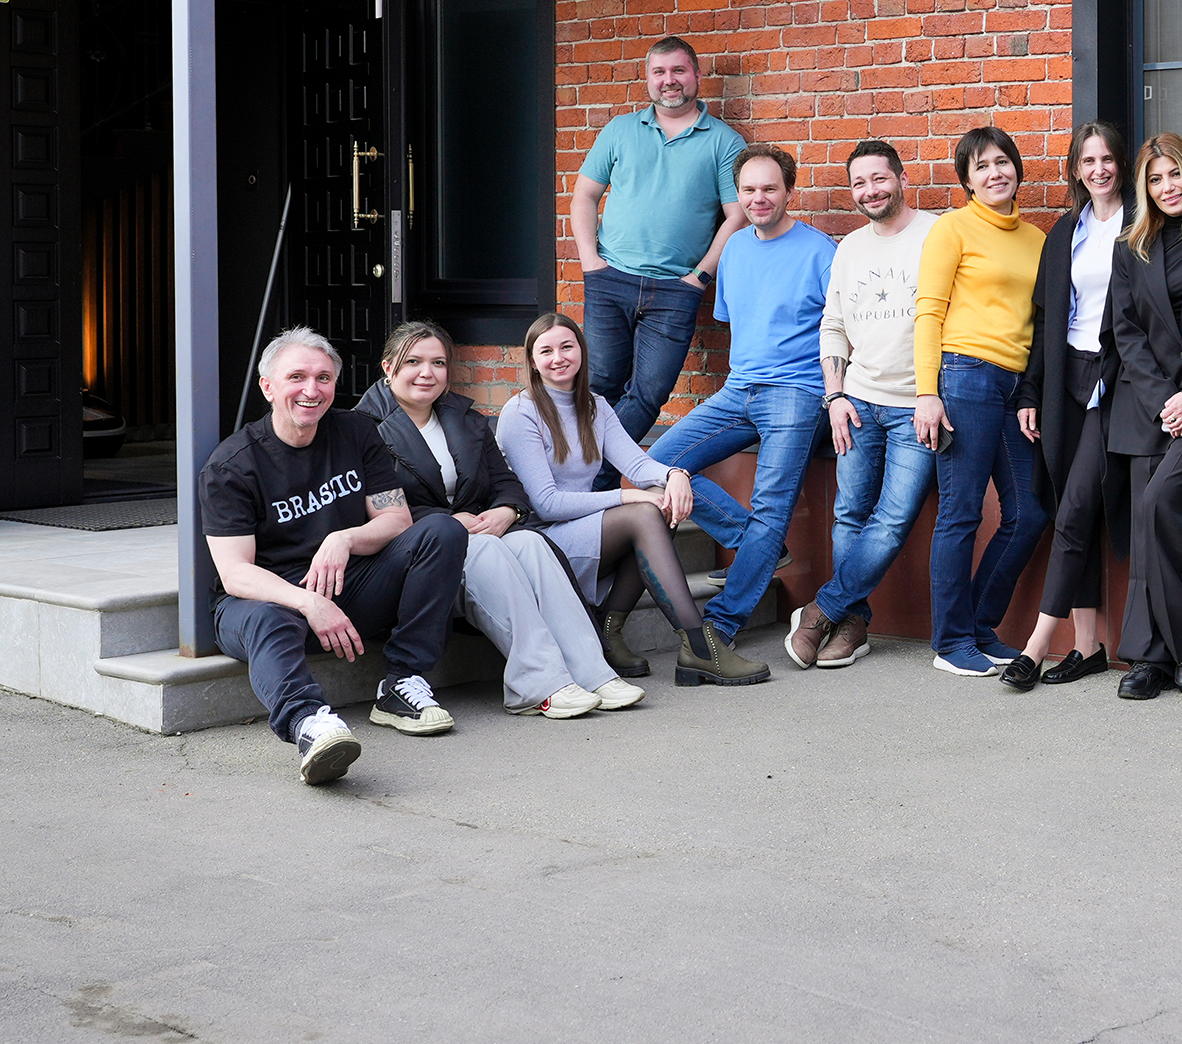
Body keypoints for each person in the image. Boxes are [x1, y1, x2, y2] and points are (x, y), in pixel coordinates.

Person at [202, 328, 469, 785]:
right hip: (268, 603)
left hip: (348, 586)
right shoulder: (232, 466)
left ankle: (402, 683)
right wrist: (309, 602)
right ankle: (311, 724)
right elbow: (236, 574)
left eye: (323, 378)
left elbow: (397, 520)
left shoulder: (356, 431)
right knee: (267, 615)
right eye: (297, 377)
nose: (312, 390)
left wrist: (344, 539)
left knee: (442, 530)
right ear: (268, 387)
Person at [357, 320, 646, 718]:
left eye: (438, 363)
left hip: (477, 533)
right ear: (388, 368)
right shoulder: (362, 429)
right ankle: (538, 684)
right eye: (413, 362)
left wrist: (507, 509)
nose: (427, 372)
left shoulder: (465, 418)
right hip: (416, 556)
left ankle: (592, 672)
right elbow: (371, 507)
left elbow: (506, 481)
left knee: (530, 542)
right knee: (484, 550)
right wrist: (450, 521)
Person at [497, 313, 768, 686]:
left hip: (580, 530)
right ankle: (699, 646)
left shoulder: (594, 406)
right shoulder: (520, 413)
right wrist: (625, 496)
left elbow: (638, 465)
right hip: (540, 542)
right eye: (546, 351)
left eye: (566, 347)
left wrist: (675, 475)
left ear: (581, 351)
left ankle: (608, 631)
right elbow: (547, 504)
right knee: (643, 512)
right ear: (531, 360)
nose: (558, 358)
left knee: (660, 503)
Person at [649, 144, 836, 661]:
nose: (758, 198)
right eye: (748, 190)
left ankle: (720, 625)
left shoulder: (822, 252)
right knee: (654, 465)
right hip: (738, 390)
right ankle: (756, 541)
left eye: (770, 188)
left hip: (798, 394)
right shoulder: (733, 248)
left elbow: (843, 333)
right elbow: (739, 321)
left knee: (771, 506)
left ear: (789, 191)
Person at [783, 141, 938, 669]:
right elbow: (833, 325)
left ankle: (820, 611)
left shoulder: (936, 235)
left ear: (902, 178)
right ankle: (853, 624)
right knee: (849, 514)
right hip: (858, 404)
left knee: (893, 519)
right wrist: (835, 396)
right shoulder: (848, 248)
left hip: (915, 407)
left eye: (879, 178)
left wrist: (931, 394)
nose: (870, 191)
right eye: (859, 183)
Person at [570, 35, 748, 488]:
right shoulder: (620, 130)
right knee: (600, 384)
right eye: (660, 72)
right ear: (648, 79)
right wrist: (590, 262)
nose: (669, 80)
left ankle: (592, 482)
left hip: (675, 289)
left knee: (649, 393)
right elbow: (585, 195)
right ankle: (582, 482)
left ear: (696, 76)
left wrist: (699, 277)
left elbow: (737, 215)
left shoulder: (724, 142)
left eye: (678, 70)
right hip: (610, 278)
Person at [913, 125, 1051, 677]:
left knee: (1028, 514)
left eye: (1003, 162)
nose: (996, 173)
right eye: (982, 167)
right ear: (967, 181)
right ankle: (950, 642)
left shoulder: (1036, 239)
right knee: (962, 511)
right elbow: (928, 312)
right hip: (965, 375)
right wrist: (927, 394)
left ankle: (978, 626)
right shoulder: (952, 228)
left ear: (1017, 167)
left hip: (1015, 386)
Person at [1002, 122, 1132, 692]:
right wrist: (1031, 392)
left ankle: (1035, 646)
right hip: (1065, 380)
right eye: (1088, 161)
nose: (1098, 169)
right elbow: (1046, 321)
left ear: (1121, 164)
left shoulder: (1141, 224)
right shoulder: (1064, 231)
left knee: (1078, 506)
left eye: (1107, 159)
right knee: (1066, 507)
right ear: (1076, 170)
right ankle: (1087, 645)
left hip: (1115, 380)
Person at [1100, 133, 1182, 701]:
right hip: (1148, 410)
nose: (1167, 186)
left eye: (1175, 174)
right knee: (1145, 527)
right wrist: (1165, 401)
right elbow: (1126, 333)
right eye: (1155, 179)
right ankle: (1152, 654)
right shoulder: (1130, 249)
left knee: (1163, 513)